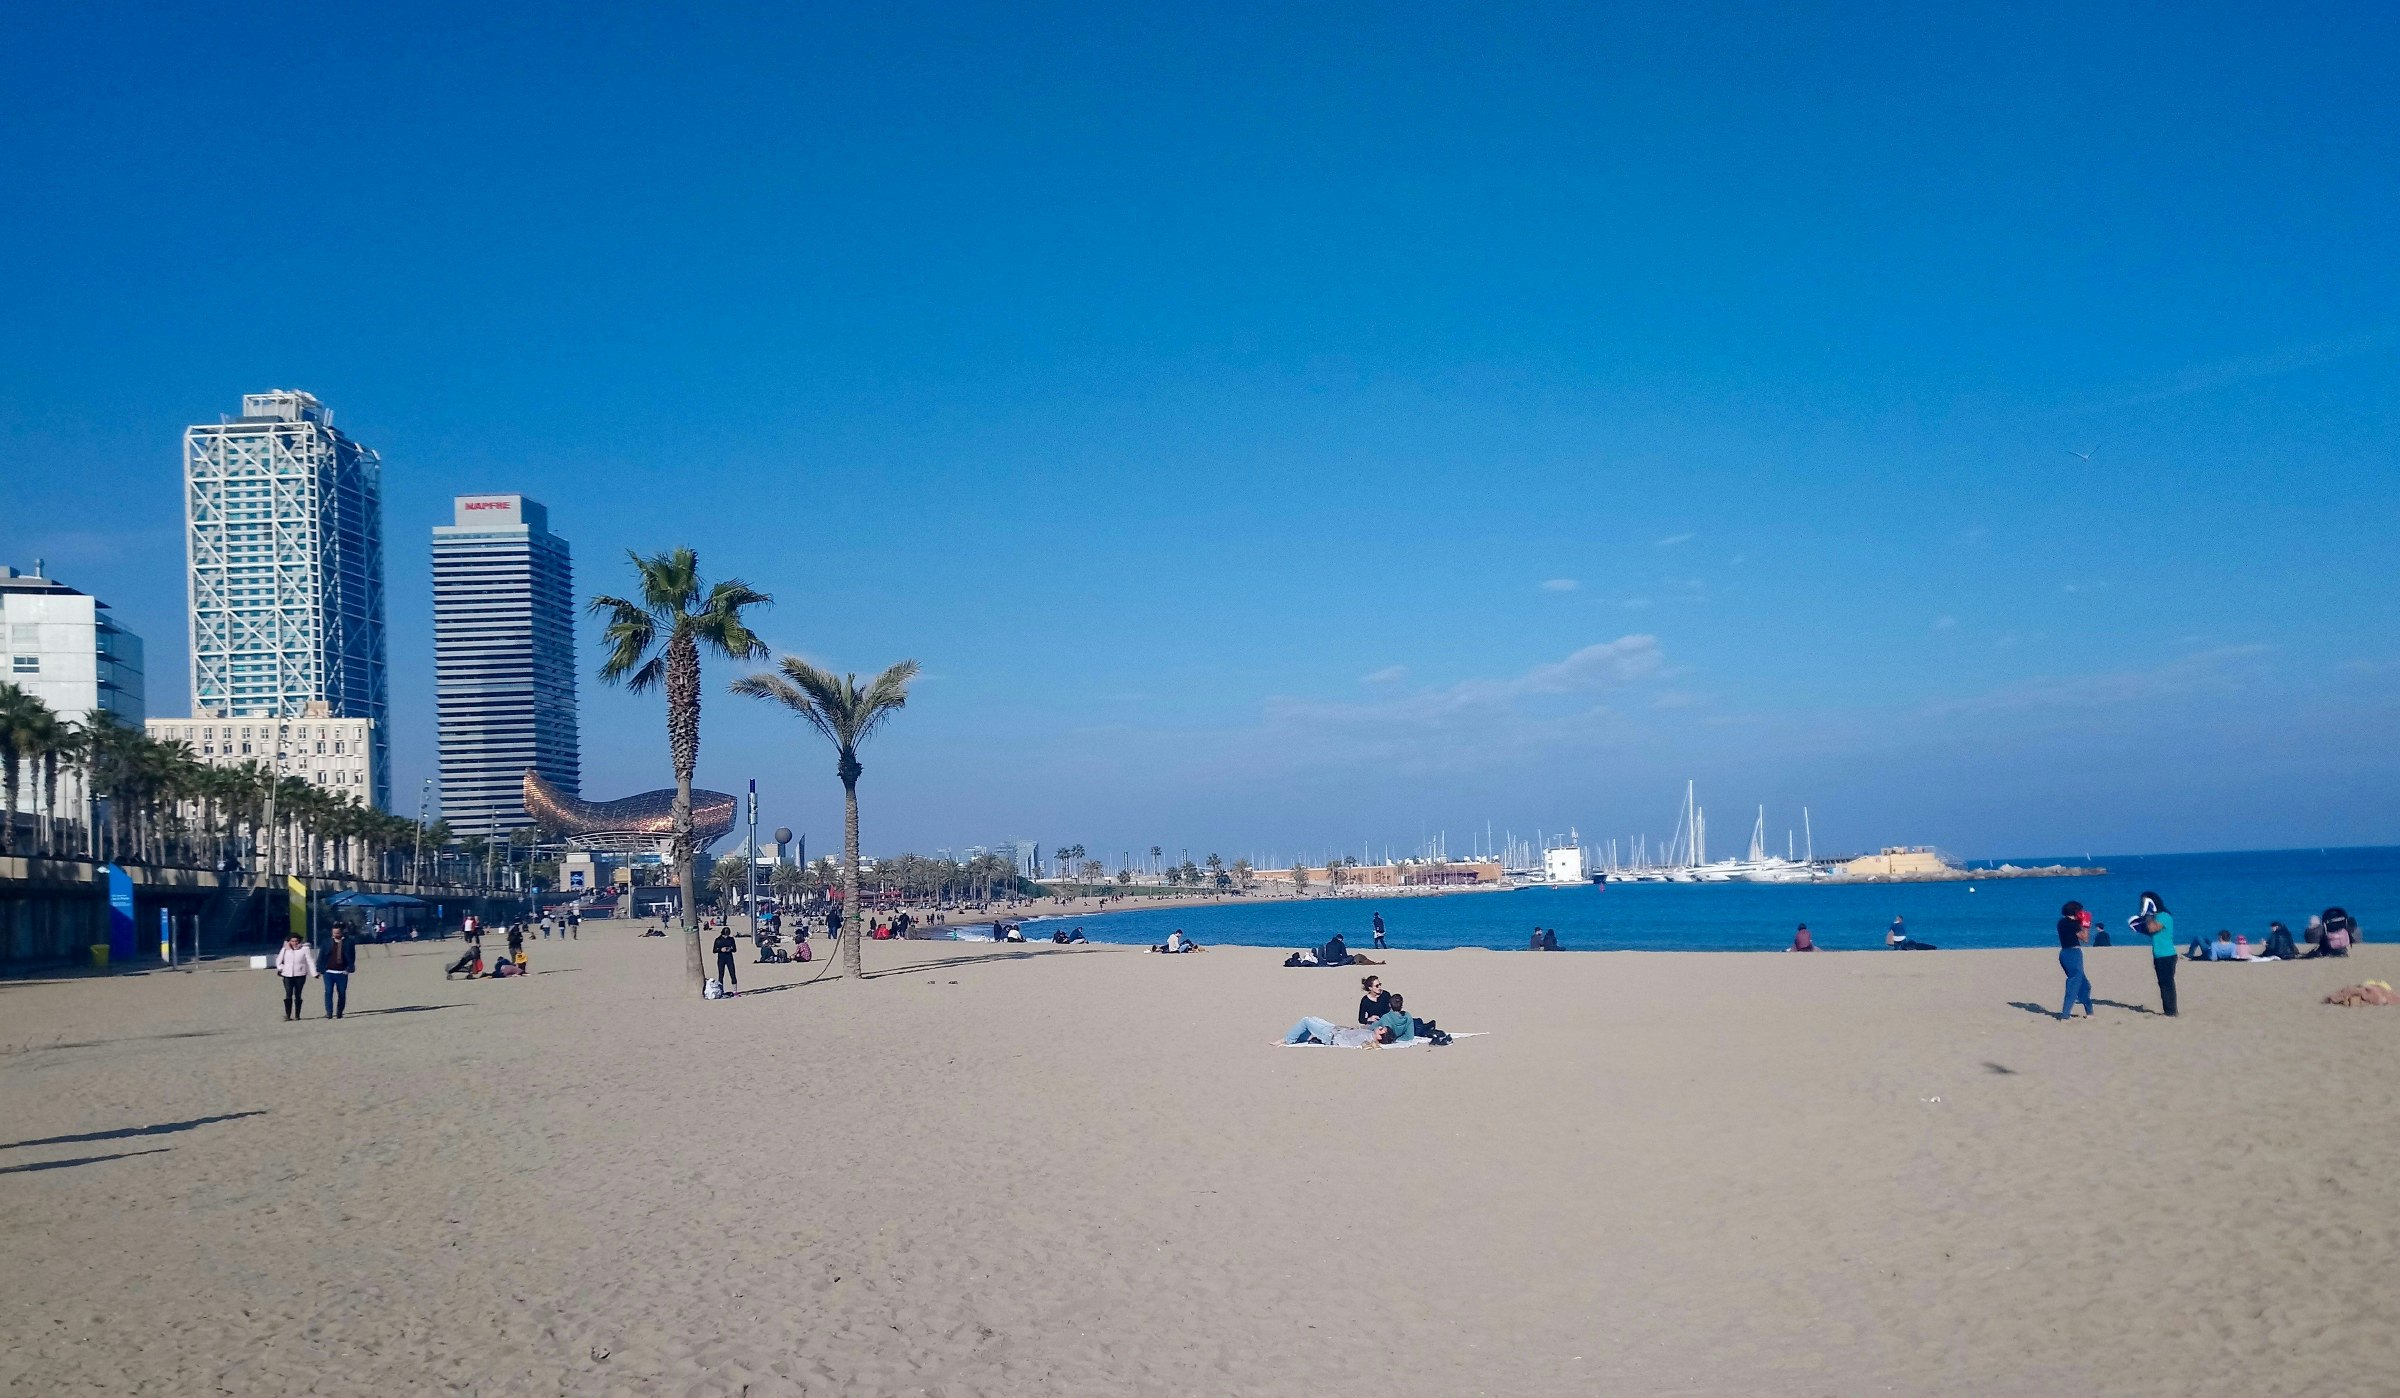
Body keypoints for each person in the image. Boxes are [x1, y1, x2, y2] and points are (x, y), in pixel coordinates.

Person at [2138, 893, 2177, 1016]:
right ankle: (2169, 1009)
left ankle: (2171, 1011)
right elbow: (2152, 932)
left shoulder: (2163, 916)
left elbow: (2152, 928)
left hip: (2167, 955)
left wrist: (2148, 915)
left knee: (2167, 983)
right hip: (2159, 955)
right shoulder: (2157, 917)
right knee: (2163, 983)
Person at [2056, 901, 2094, 1020]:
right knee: (2074, 983)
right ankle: (2065, 1015)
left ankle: (2090, 1012)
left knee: (2084, 984)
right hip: (2073, 954)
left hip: (2064, 954)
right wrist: (2086, 925)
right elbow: (2085, 939)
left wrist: (2079, 922)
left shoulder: (2061, 922)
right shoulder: (2072, 924)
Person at [1282, 1016, 1395, 1047]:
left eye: (1381, 1030)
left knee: (1306, 1021)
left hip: (1331, 1035)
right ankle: (1298, 1038)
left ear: (1380, 1037)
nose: (1379, 1028)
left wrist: (1332, 1039)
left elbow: (1347, 1043)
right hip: (1336, 1029)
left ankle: (1288, 1040)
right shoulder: (1370, 1034)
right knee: (1314, 1019)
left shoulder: (1366, 1039)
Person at [274, 933, 314, 1021]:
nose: (294, 943)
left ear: (299, 941)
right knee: (288, 994)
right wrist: (281, 968)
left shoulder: (304, 949)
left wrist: (314, 973)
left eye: (296, 941)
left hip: (300, 975)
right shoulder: (285, 949)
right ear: (289, 941)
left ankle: (297, 1015)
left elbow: (310, 961)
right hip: (287, 975)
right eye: (292, 941)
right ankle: (288, 1015)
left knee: (298, 994)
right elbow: (278, 961)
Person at [321, 926, 358, 1020]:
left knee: (341, 993)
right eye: (334, 933)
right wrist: (320, 968)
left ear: (341, 932)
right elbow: (321, 955)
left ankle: (339, 1012)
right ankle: (329, 1013)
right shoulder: (326, 942)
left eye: (337, 933)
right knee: (328, 992)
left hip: (342, 972)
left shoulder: (348, 942)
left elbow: (352, 956)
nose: (335, 934)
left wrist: (349, 969)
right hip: (328, 972)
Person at [713, 927, 739, 992]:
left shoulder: (731, 939)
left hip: (729, 957)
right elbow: (714, 950)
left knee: (732, 973)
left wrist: (730, 949)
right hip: (721, 958)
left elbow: (735, 949)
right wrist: (720, 949)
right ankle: (721, 990)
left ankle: (735, 991)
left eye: (727, 934)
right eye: (725, 934)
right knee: (721, 974)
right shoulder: (718, 940)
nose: (726, 936)